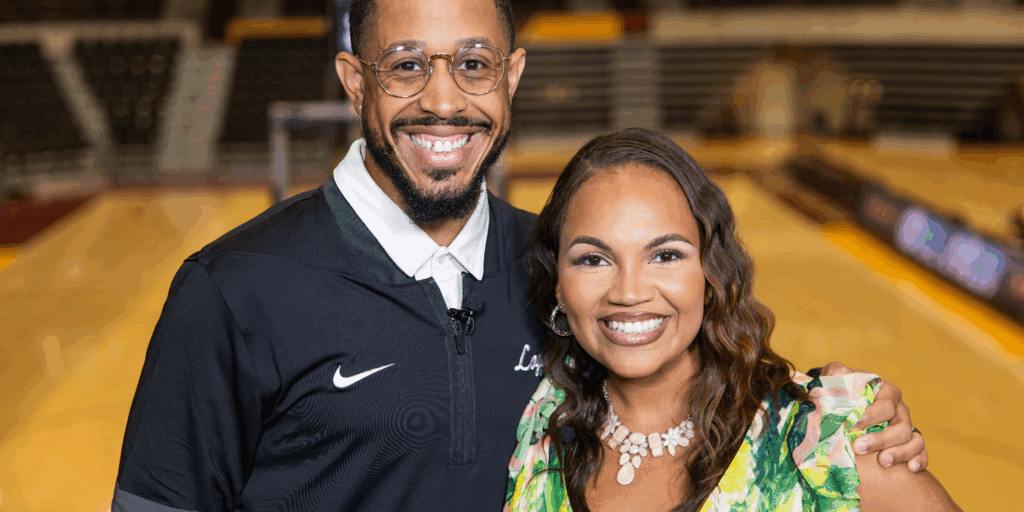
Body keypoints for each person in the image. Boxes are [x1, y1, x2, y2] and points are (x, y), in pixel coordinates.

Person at [111, 0, 926, 510]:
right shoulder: (231, 291)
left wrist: (848, 421)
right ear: (353, 81)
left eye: (473, 64)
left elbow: (687, 383)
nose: (442, 99)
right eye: (405, 67)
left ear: (513, 76)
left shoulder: (564, 265)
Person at [504, 128, 959, 512]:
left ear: (710, 272)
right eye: (592, 260)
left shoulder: (822, 442)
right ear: (559, 283)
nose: (629, 293)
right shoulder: (536, 426)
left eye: (665, 255)